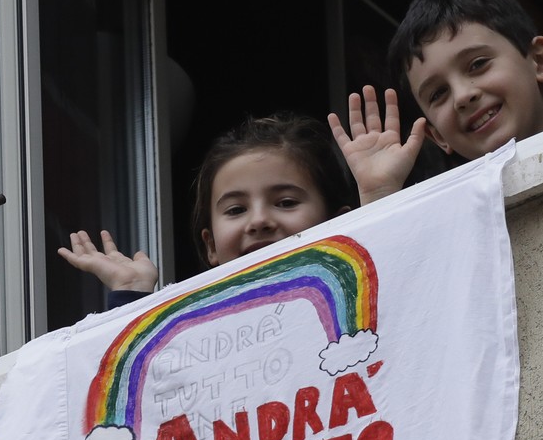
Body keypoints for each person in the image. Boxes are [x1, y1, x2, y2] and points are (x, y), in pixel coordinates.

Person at [59, 112, 354, 306]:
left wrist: (380, 194)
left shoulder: (355, 297)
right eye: (236, 210)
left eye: (286, 203)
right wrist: (132, 292)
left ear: (339, 222)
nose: (259, 220)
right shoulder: (200, 336)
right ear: (210, 245)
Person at [330, 0, 543, 204]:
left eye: (478, 64)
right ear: (438, 136)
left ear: (540, 61)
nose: (462, 96)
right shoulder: (448, 215)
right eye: (438, 93)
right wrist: (379, 195)